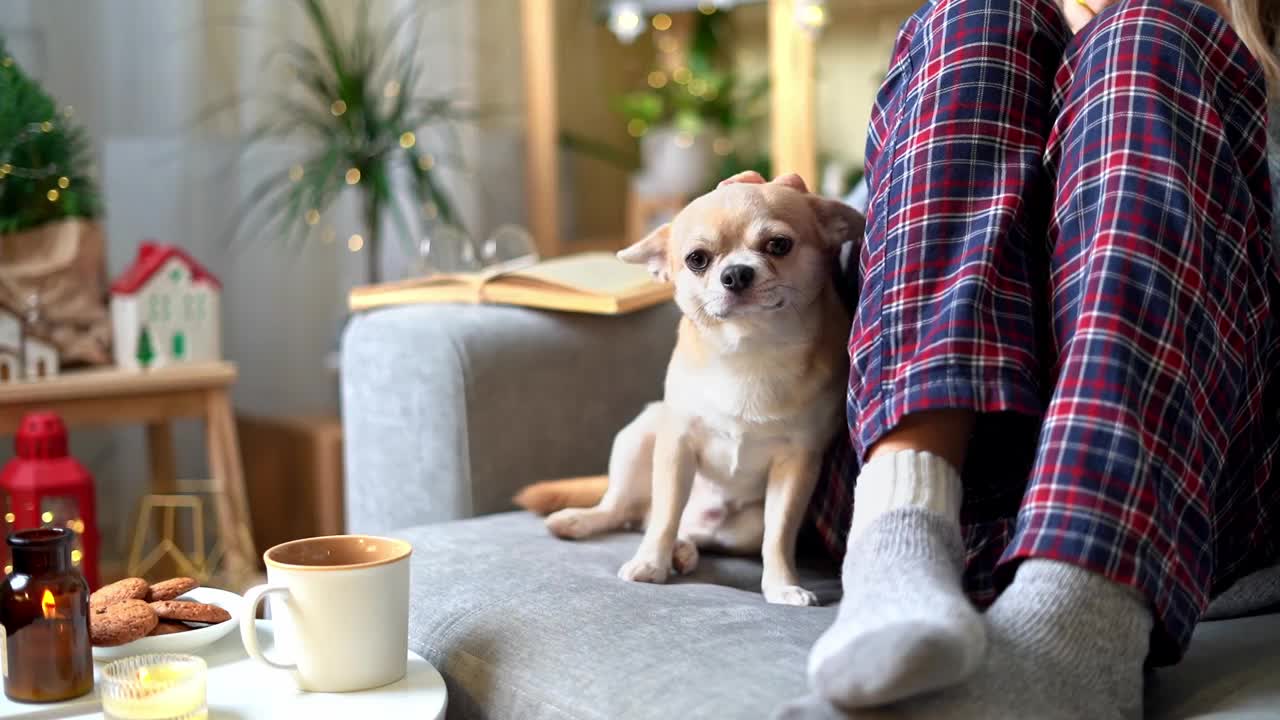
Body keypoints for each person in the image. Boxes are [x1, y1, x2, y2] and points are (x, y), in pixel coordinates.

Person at [730, 0, 1280, 717]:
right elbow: (886, 284)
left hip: (1179, 504)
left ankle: (1079, 625)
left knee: (1147, 40)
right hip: (948, 487)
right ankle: (898, 545)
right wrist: (787, 242)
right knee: (978, 18)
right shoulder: (986, 45)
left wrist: (1116, 112)